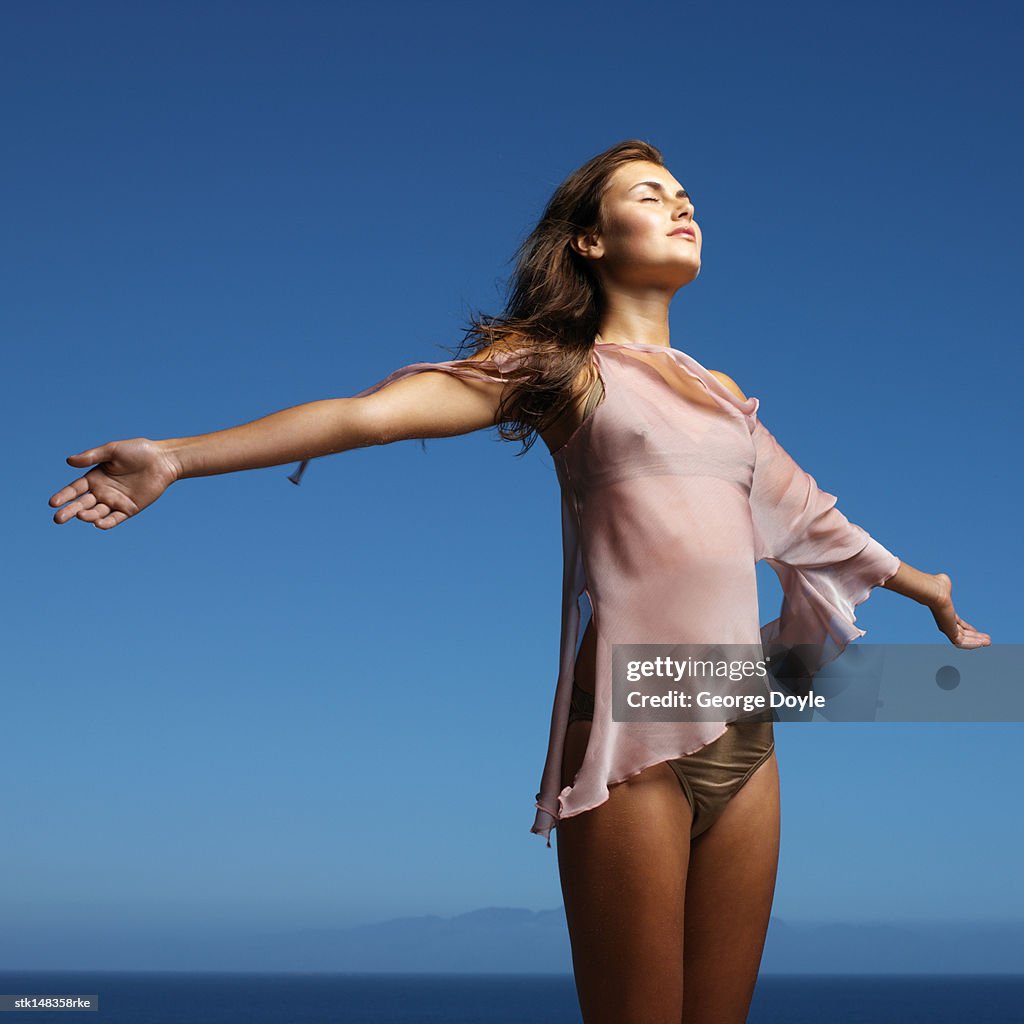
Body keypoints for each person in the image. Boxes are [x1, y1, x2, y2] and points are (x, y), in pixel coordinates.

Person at [49, 139, 990, 1024]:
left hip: (740, 726)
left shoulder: (721, 392)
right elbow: (373, 416)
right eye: (649, 195)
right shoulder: (563, 370)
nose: (681, 207)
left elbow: (814, 520)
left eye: (686, 196)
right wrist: (176, 456)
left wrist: (927, 585)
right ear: (591, 238)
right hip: (630, 739)